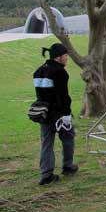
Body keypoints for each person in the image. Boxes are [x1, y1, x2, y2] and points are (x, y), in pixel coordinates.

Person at [33, 43, 78, 185]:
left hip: (43, 113)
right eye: (65, 56)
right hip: (58, 113)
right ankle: (68, 166)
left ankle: (46, 174)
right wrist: (66, 114)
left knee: (47, 143)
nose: (67, 58)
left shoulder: (39, 71)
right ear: (58, 57)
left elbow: (41, 94)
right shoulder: (60, 72)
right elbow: (63, 96)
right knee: (68, 137)